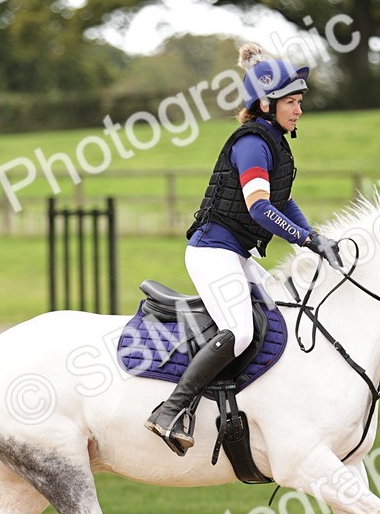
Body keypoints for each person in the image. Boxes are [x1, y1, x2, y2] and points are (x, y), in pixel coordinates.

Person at [144, 43, 342, 456]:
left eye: (300, 101)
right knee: (242, 329)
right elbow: (260, 208)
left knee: (284, 313)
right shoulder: (252, 143)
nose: (299, 109)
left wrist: (316, 238)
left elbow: (283, 201)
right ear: (267, 104)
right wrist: (305, 240)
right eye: (292, 101)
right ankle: (170, 410)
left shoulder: (274, 142)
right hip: (212, 251)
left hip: (236, 253)